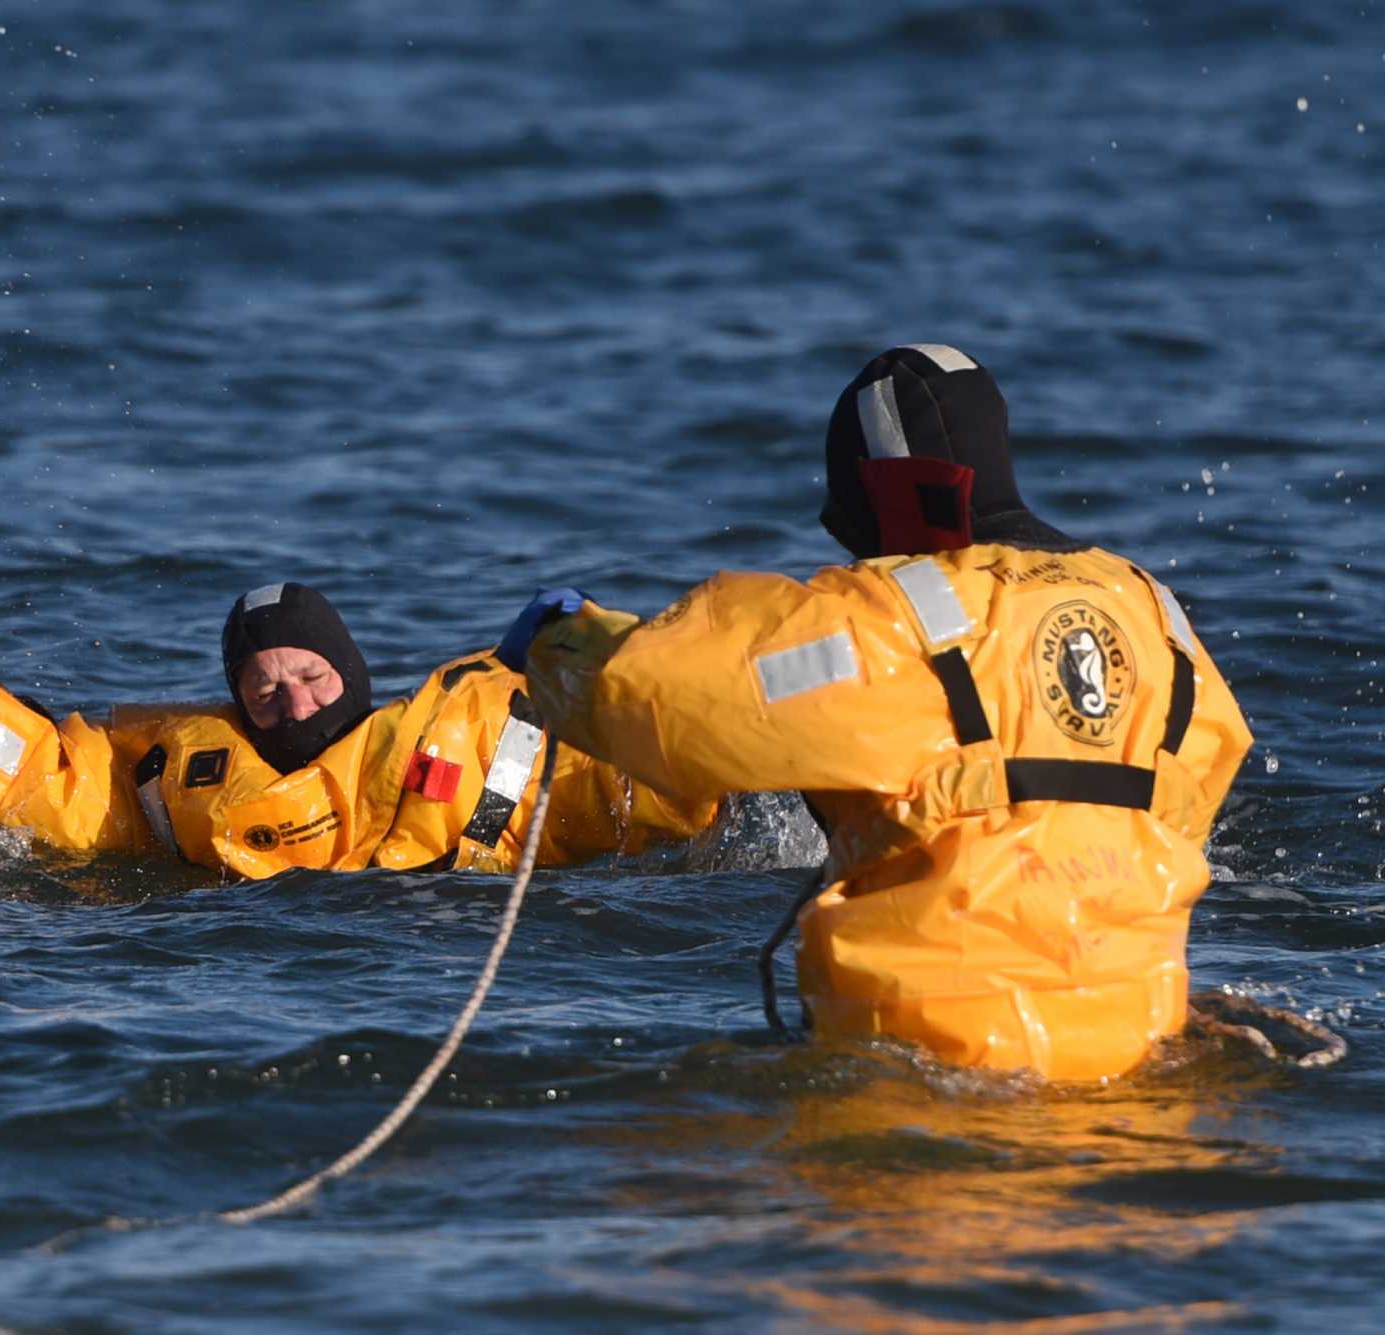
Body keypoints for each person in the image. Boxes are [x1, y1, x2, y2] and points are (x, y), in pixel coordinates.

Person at [497, 344, 1252, 1081]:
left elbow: (658, 697)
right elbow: (1207, 770)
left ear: (889, 499)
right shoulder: (1150, 610)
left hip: (933, 1074)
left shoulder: (897, 619)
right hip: (1139, 1065)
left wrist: (562, 644)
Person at [0, 569, 718, 878]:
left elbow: (662, 780)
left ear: (348, 671)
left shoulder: (486, 735)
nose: (292, 701)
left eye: (311, 675)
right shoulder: (179, 776)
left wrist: (605, 656)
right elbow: (40, 779)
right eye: (262, 686)